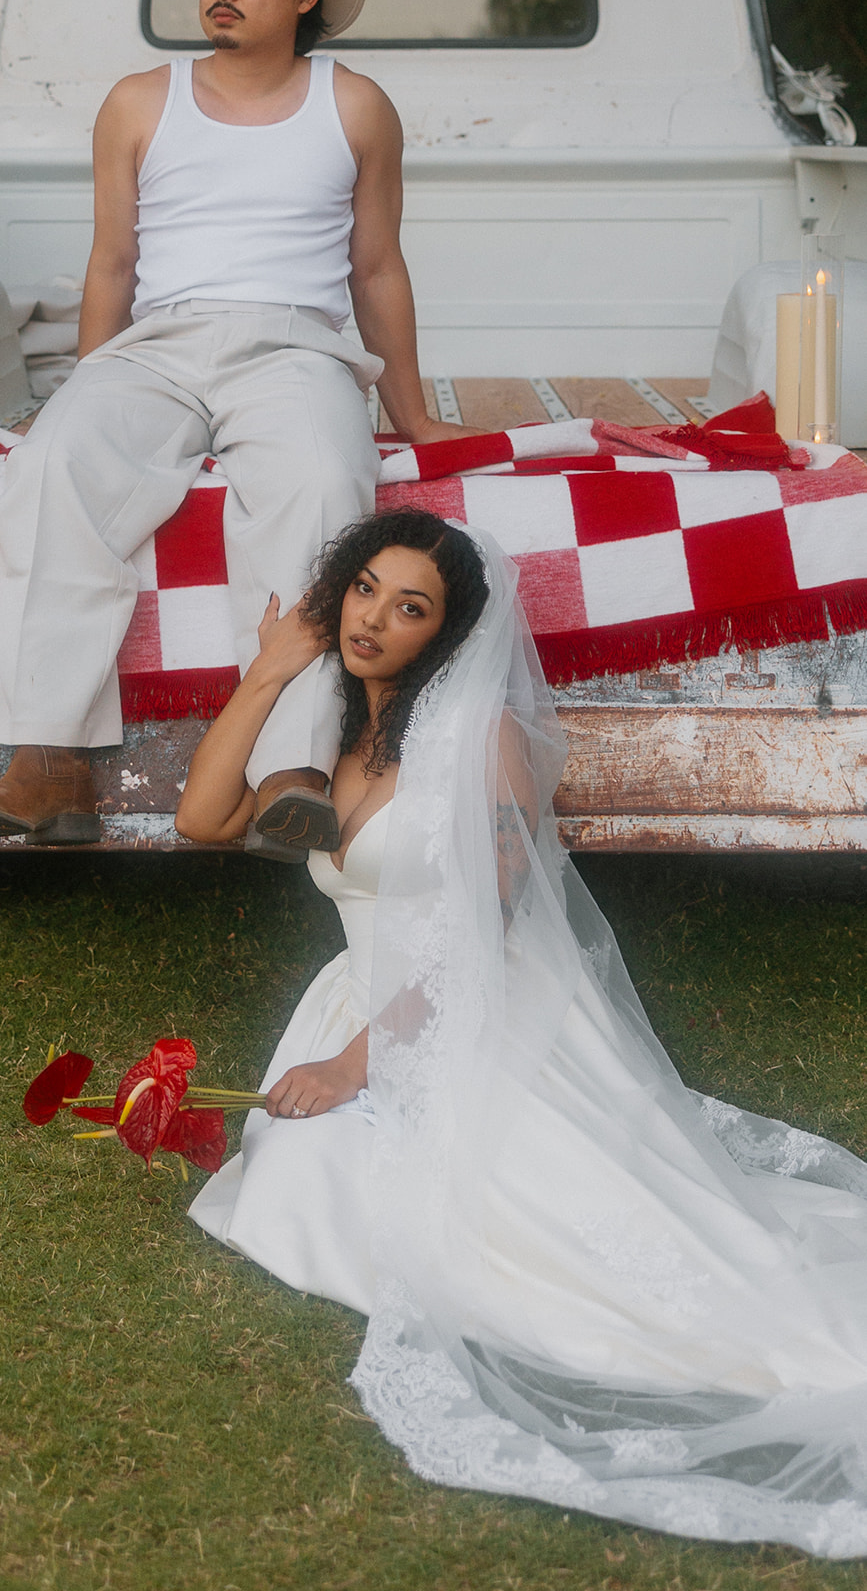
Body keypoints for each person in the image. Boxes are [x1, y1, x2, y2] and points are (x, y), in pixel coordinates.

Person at [179, 508, 867, 1557]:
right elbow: (199, 821)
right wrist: (271, 668)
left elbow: (481, 933)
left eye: (408, 608)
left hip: (465, 1010)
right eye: (362, 588)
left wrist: (355, 1063)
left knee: (525, 1242)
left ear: (442, 636)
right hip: (357, 1001)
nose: (372, 618)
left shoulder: (480, 738)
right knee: (290, 1170)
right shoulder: (330, 738)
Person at [0, 0, 481, 857]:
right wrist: (87, 386)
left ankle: (288, 770)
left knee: (323, 482)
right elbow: (113, 261)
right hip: (157, 345)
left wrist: (410, 415)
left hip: (294, 346)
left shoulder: (355, 104)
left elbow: (375, 268)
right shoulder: (140, 101)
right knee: (53, 465)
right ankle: (49, 763)